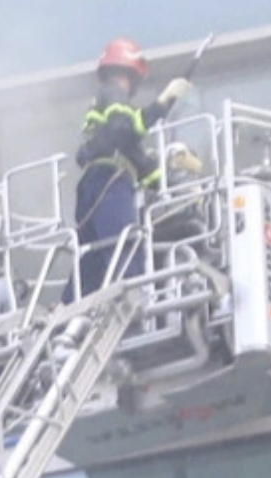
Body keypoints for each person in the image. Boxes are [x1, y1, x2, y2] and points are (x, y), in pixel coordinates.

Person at [73, 38, 195, 296]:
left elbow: (144, 168)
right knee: (126, 250)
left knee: (92, 262)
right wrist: (163, 102)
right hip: (110, 184)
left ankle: (68, 310)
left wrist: (171, 167)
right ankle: (132, 301)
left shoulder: (110, 128)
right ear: (127, 73)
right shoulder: (112, 95)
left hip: (92, 187)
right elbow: (127, 127)